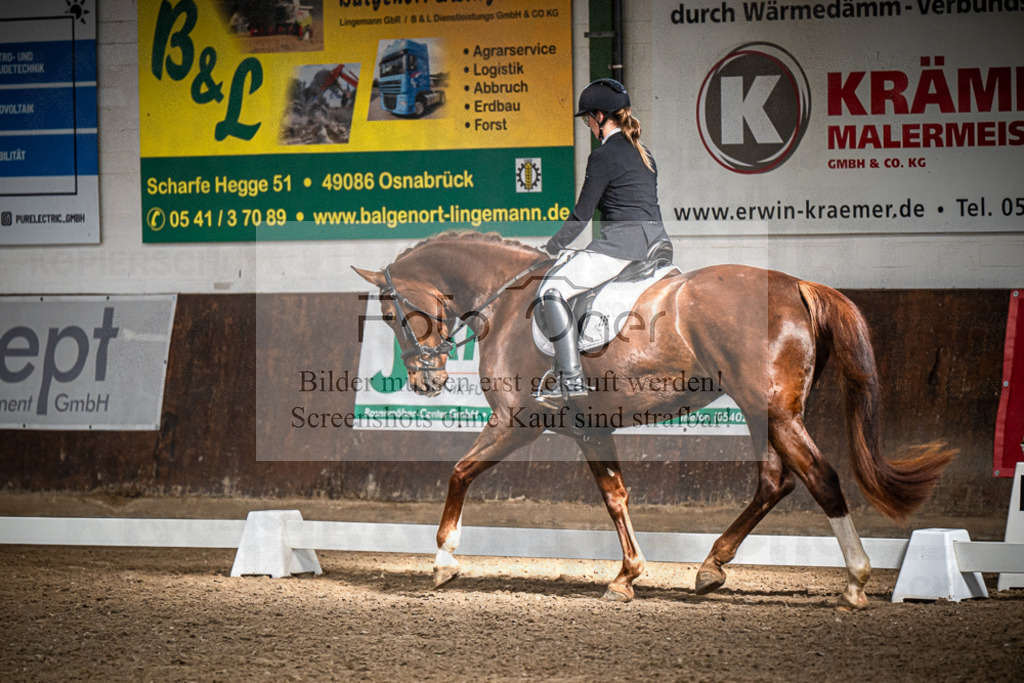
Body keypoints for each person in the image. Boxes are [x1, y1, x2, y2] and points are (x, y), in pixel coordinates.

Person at [535, 78, 670, 408]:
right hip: (657, 244)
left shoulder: (603, 156)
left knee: (551, 291)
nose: (588, 125)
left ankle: (570, 376)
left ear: (598, 116)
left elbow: (582, 215)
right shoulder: (644, 153)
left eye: (587, 120)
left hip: (621, 248)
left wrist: (549, 250)